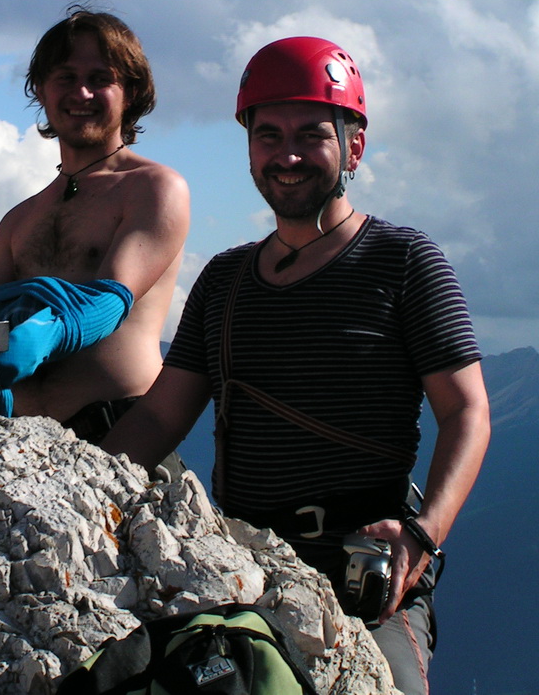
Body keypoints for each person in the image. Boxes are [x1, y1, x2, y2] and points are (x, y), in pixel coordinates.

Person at [102, 36, 490, 695]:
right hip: (240, 565)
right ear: (249, 147)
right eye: (267, 134)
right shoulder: (224, 281)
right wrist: (82, 484)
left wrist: (421, 537)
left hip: (363, 574)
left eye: (310, 135)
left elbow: (467, 411)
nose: (285, 154)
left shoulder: (404, 262)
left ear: (354, 147)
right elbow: (161, 416)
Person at [0, 7, 190, 453]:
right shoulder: (19, 219)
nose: (82, 92)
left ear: (130, 92)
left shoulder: (154, 188)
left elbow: (111, 298)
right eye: (65, 77)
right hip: (19, 443)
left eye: (101, 78)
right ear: (40, 89)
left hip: (122, 431)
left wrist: (47, 331)